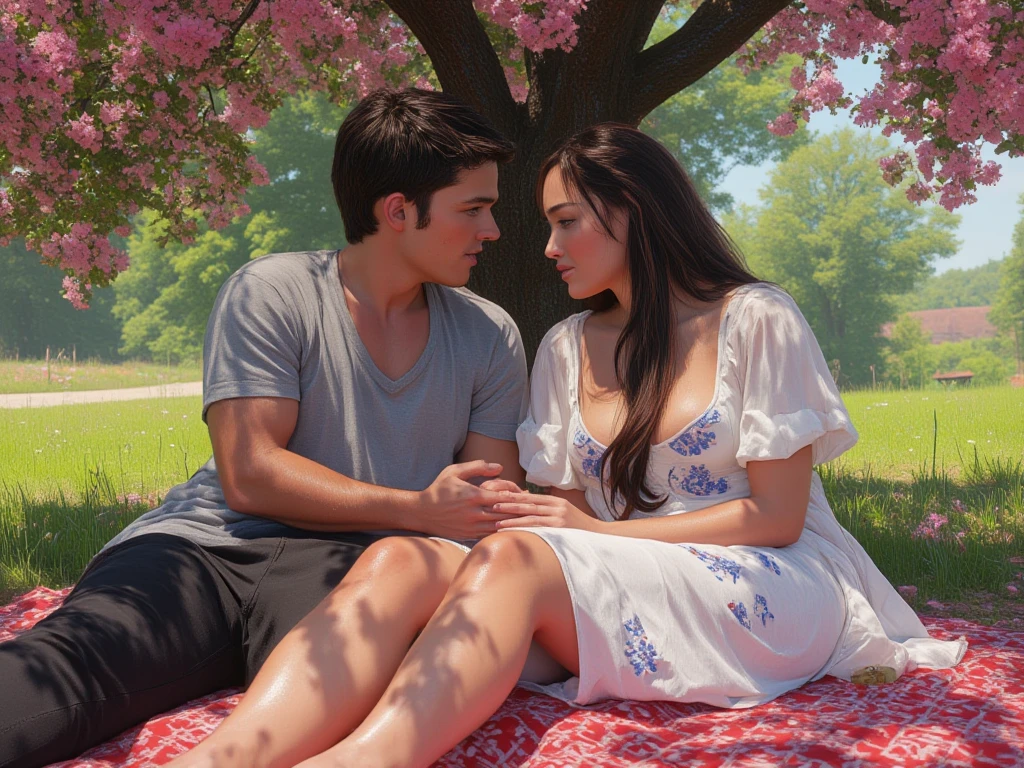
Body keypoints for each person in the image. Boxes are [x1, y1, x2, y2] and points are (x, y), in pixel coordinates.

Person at [166, 124, 968, 768]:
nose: (545, 248)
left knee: (517, 561)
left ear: (633, 210)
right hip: (619, 572)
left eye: (564, 222)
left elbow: (776, 517)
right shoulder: (563, 346)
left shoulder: (755, 319)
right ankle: (225, 758)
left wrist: (589, 534)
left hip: (774, 584)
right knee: (405, 558)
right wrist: (522, 517)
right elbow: (568, 519)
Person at [0, 88, 530, 768]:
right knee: (65, 675)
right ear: (398, 211)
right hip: (203, 550)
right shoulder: (272, 291)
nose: (493, 229)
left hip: (355, 574)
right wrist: (417, 508)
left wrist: (448, 517)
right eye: (474, 209)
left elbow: (483, 506)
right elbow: (250, 474)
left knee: (364, 714)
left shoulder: (490, 335)